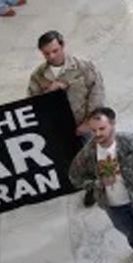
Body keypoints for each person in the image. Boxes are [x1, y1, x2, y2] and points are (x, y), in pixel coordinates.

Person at [68, 107, 133, 262]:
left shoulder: (132, 143)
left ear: (112, 124)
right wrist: (97, 183)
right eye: (93, 130)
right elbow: (74, 177)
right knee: (127, 230)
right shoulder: (88, 153)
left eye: (102, 128)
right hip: (112, 204)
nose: (97, 134)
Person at [28, 31, 106, 205]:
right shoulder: (38, 76)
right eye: (47, 53)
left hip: (85, 122)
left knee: (94, 155)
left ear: (62, 45)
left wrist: (90, 122)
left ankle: (99, 186)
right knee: (73, 158)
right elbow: (33, 102)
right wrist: (49, 91)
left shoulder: (84, 66)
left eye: (55, 50)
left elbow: (97, 93)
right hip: (60, 126)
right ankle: (86, 184)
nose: (52, 56)